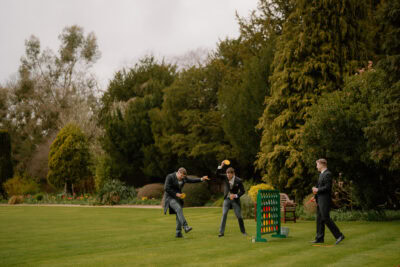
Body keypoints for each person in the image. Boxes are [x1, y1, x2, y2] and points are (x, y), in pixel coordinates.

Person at [163, 167, 209, 238]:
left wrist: (201, 179)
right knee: (178, 209)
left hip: (178, 198)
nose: (182, 178)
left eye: (183, 177)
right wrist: (176, 194)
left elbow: (191, 180)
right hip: (170, 198)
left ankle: (178, 233)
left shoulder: (184, 178)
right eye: (181, 176)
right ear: (178, 172)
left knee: (179, 214)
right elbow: (166, 188)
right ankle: (185, 226)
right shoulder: (170, 177)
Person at [311, 159, 345, 245]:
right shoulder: (321, 174)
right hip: (319, 199)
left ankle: (339, 235)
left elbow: (327, 187)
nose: (316, 166)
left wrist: (317, 189)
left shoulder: (328, 174)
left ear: (322, 164)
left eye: (317, 164)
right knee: (319, 219)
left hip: (325, 200)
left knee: (326, 218)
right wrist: (314, 196)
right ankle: (319, 238)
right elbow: (319, 187)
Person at [215, 161, 247, 237]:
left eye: (229, 175)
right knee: (224, 214)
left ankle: (243, 232)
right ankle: (221, 232)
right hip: (227, 199)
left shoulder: (239, 181)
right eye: (227, 174)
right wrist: (221, 166)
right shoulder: (225, 177)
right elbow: (217, 174)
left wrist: (236, 195)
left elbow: (243, 191)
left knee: (239, 216)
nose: (228, 176)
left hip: (235, 200)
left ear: (233, 174)